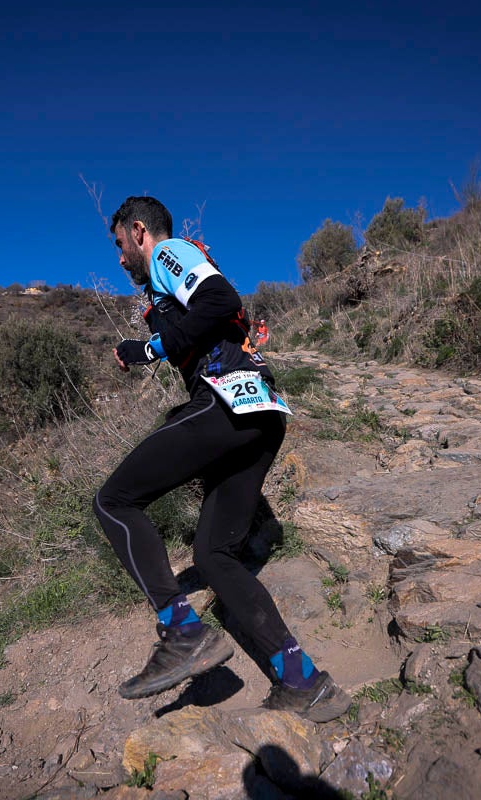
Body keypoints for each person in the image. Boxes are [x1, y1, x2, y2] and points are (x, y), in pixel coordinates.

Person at [93, 196, 350, 722]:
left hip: (226, 401)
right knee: (213, 556)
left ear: (138, 231)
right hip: (262, 411)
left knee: (114, 501)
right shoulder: (170, 272)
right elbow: (217, 316)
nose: (120, 259)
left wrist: (148, 350)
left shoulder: (169, 253)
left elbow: (218, 299)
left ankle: (182, 631)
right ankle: (304, 682)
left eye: (119, 244)